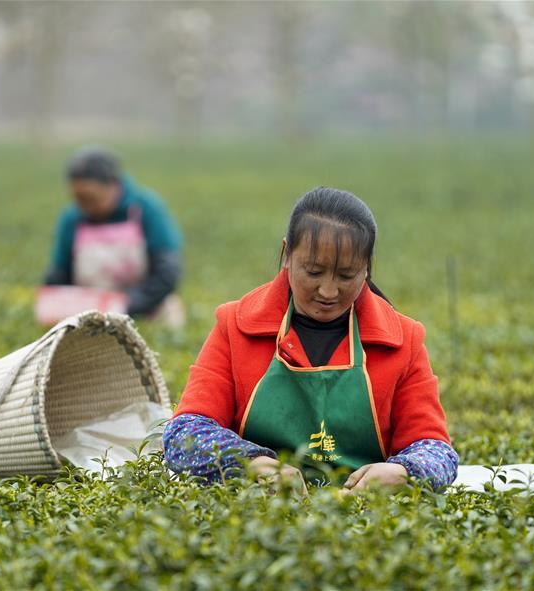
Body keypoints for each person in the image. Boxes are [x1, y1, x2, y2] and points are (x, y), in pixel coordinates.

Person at [163, 187, 458, 494]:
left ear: (367, 267)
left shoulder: (402, 340)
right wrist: (252, 464)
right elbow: (183, 435)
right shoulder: (236, 327)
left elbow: (437, 452)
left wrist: (403, 472)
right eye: (314, 272)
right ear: (287, 254)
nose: (328, 292)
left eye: (347, 276)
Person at [43, 146, 184, 321]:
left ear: (113, 185)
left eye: (91, 198)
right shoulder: (72, 219)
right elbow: (60, 274)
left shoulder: (146, 209)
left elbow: (167, 272)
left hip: (149, 313)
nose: (84, 206)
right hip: (90, 316)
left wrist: (128, 305)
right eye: (78, 199)